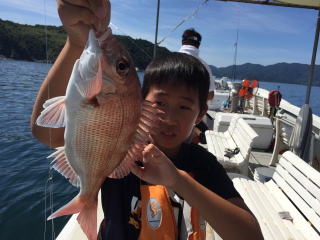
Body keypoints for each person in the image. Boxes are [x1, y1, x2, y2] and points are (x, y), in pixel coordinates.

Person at [31, 1, 263, 239]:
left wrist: (177, 179)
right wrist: (76, 41)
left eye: (184, 106)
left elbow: (251, 236)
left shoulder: (203, 165)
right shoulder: (125, 151)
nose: (170, 117)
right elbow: (44, 132)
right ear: (140, 105)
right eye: (160, 103)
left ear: (201, 115)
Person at [178, 28, 215, 144]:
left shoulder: (166, 61)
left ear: (182, 41)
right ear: (198, 45)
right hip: (189, 117)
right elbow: (210, 95)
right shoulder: (204, 67)